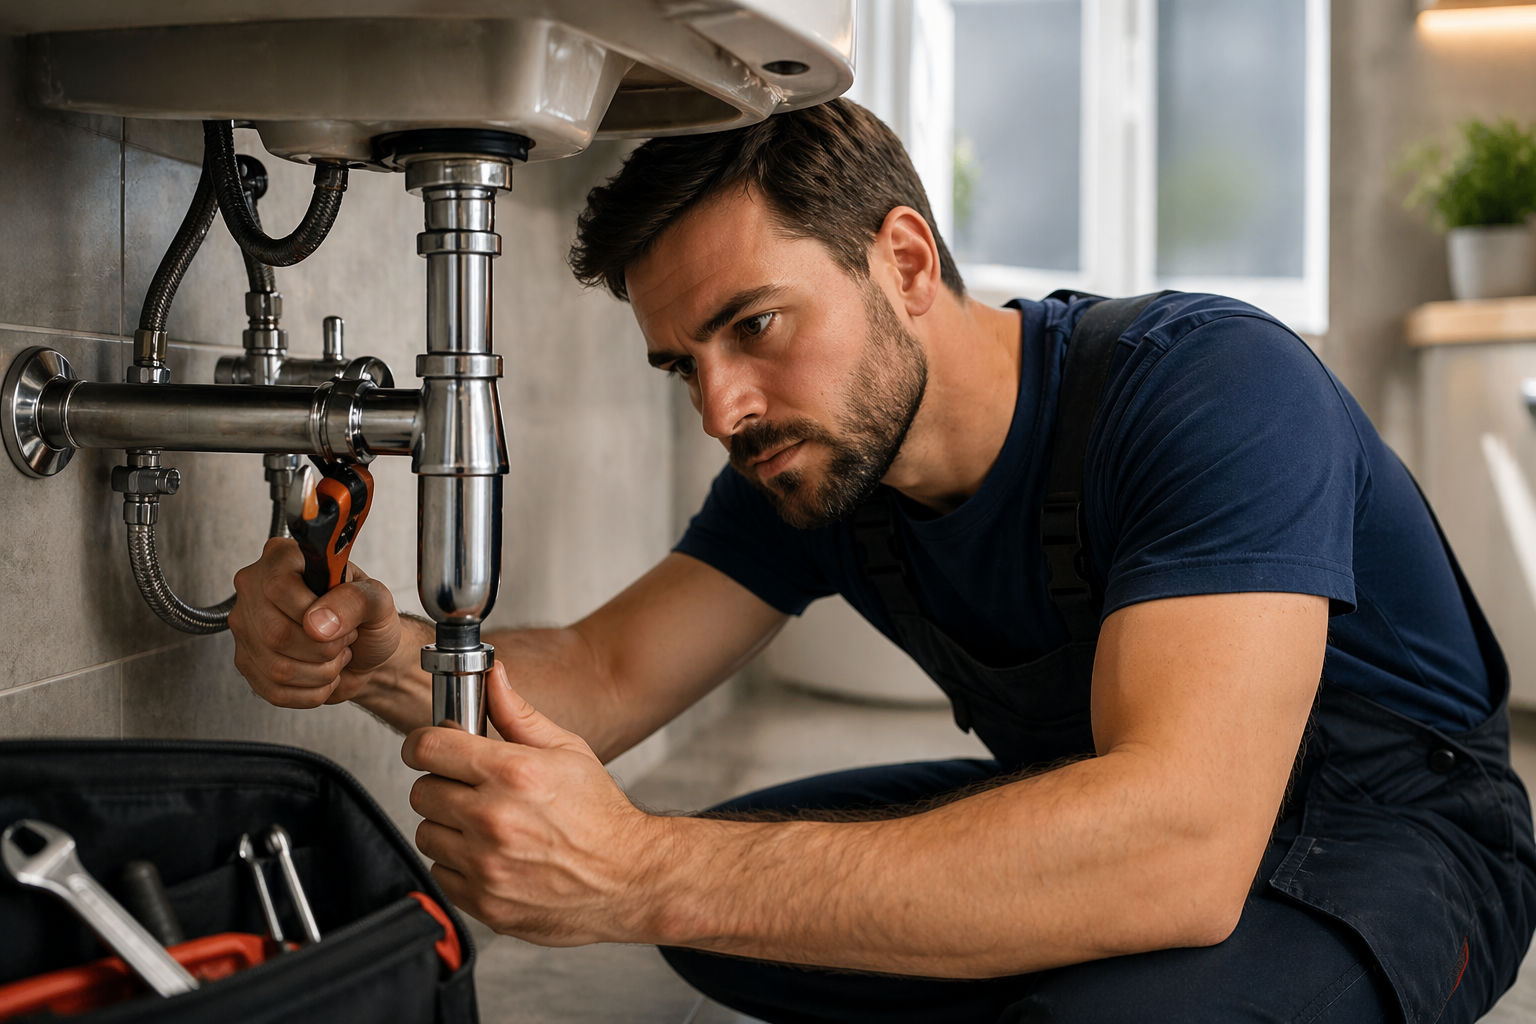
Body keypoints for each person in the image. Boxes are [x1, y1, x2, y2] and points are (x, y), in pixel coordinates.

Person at [227, 99, 1535, 1023]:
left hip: (1390, 838)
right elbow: (607, 674)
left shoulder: (1203, 382)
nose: (723, 411)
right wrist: (376, 652)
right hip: (1108, 807)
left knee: (707, 887)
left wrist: (632, 871)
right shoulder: (820, 460)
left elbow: (1185, 840)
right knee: (723, 903)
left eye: (756, 325)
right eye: (690, 362)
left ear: (903, 259)